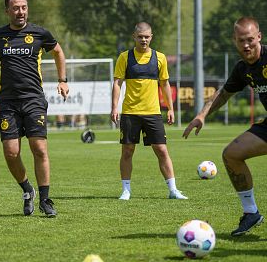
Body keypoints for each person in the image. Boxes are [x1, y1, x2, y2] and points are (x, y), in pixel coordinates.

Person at [0, 0, 68, 218]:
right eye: (16, 8)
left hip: (33, 99)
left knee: (39, 149)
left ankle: (45, 200)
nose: (21, 12)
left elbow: (58, 52)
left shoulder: (39, 33)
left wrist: (62, 80)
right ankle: (27, 190)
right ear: (7, 10)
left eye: (24, 7)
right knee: (11, 152)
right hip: (7, 102)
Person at [183, 16, 266, 236]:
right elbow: (223, 94)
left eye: (250, 39)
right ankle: (251, 213)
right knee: (232, 155)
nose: (246, 45)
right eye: (241, 40)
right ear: (235, 41)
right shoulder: (242, 69)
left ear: (259, 37)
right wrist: (202, 115)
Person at [111, 22, 187, 201]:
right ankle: (126, 190)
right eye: (140, 36)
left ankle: (173, 190)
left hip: (153, 113)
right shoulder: (125, 57)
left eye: (146, 36)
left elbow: (165, 84)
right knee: (127, 151)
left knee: (161, 150)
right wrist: (115, 107)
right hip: (130, 112)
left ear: (151, 37)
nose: (143, 40)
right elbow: (117, 83)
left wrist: (170, 108)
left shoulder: (160, 58)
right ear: (134, 37)